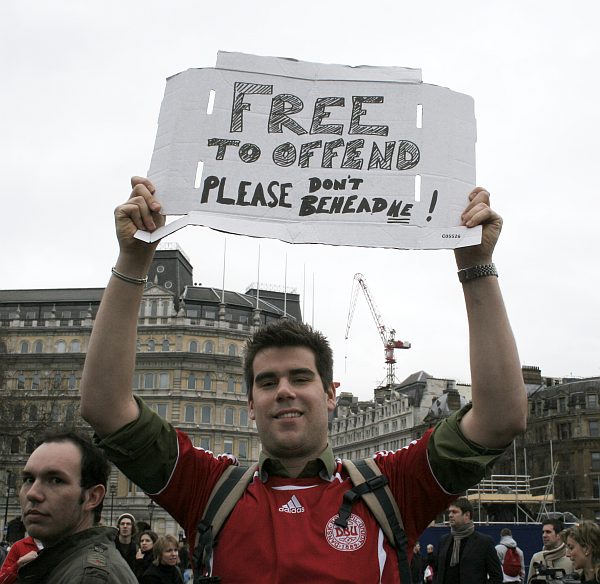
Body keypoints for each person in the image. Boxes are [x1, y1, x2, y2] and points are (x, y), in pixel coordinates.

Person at [80, 177, 527, 583]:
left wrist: (476, 265)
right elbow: (105, 408)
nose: (285, 391)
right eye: (268, 381)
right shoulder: (209, 488)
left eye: (300, 377)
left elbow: (500, 418)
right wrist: (133, 257)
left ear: (331, 395)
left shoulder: (392, 486)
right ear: (251, 403)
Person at [14, 430, 138, 583]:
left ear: (93, 497)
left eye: (56, 480)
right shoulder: (68, 566)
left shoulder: (88, 578)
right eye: (29, 479)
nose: (32, 493)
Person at [434, 497, 502, 583]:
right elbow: (437, 571)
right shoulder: (443, 541)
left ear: (467, 515)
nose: (450, 515)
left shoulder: (484, 542)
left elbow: (496, 577)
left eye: (454, 512)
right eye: (449, 512)